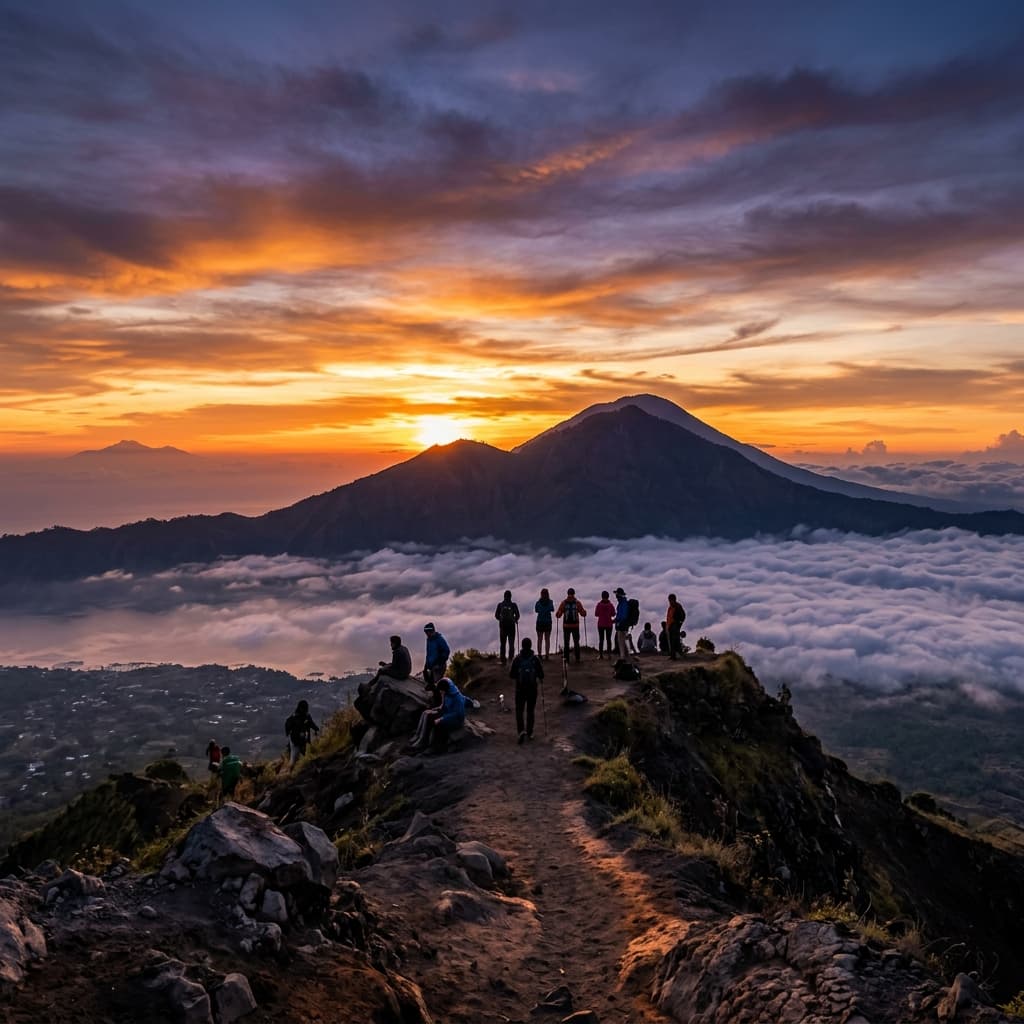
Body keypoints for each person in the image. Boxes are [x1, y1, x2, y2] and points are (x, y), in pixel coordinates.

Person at [509, 637, 544, 744]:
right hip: (532, 689)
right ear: (531, 645)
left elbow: (511, 675)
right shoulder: (535, 659)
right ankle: (530, 732)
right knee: (530, 710)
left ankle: (521, 732)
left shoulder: (517, 659)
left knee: (519, 710)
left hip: (520, 689)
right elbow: (541, 674)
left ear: (522, 646)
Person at [555, 587, 587, 664]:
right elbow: (582, 613)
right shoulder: (577, 603)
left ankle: (566, 659)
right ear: (574, 594)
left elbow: (558, 614)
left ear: (568, 594)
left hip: (566, 626)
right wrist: (584, 613)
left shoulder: (564, 603)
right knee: (576, 642)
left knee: (566, 643)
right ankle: (577, 658)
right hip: (575, 626)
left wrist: (558, 614)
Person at [285, 699, 320, 765]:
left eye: (306, 708)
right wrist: (288, 733)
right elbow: (288, 725)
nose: (306, 710)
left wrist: (316, 729)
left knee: (304, 756)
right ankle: (291, 772)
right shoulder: (294, 717)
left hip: (304, 740)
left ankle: (300, 768)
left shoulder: (306, 716)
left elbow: (311, 724)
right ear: (300, 708)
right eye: (304, 708)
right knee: (293, 760)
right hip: (295, 742)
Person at [422, 623, 451, 697]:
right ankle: (434, 700)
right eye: (425, 632)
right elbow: (429, 653)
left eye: (428, 632)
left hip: (439, 667)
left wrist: (439, 663)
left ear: (432, 631)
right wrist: (426, 665)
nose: (426, 634)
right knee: (429, 683)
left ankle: (441, 702)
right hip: (431, 666)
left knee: (437, 685)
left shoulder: (439, 640)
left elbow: (446, 651)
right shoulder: (429, 639)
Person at [494, 590, 520, 665]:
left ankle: (503, 660)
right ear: (510, 596)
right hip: (511, 626)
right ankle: (511, 659)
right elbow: (518, 615)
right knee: (511, 643)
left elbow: (496, 615)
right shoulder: (513, 605)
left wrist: (501, 619)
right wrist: (514, 620)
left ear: (504, 596)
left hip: (502, 627)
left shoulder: (500, 605)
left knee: (503, 644)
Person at [535, 587, 555, 660]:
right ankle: (547, 655)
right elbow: (552, 609)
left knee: (539, 639)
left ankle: (539, 655)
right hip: (548, 622)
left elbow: (536, 610)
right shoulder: (550, 602)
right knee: (547, 639)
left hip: (540, 622)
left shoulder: (538, 603)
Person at [594, 590, 616, 660]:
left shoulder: (599, 605)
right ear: (608, 597)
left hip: (601, 624)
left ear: (602, 596)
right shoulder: (610, 605)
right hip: (609, 624)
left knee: (601, 639)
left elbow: (596, 614)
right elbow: (613, 614)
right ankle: (609, 655)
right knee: (608, 639)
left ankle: (601, 655)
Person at [666, 594, 686, 660]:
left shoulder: (678, 607)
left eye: (670, 600)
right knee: (672, 641)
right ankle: (673, 655)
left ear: (674, 599)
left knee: (674, 641)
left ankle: (675, 655)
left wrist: (679, 624)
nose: (670, 602)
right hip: (670, 625)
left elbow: (683, 615)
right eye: (669, 600)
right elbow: (669, 616)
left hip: (674, 626)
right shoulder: (670, 607)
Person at [614, 587, 631, 660]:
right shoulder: (624, 602)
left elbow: (622, 615)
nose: (616, 597)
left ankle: (623, 657)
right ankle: (626, 656)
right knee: (624, 641)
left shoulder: (622, 603)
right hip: (624, 625)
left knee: (621, 641)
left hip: (622, 625)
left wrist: (617, 620)